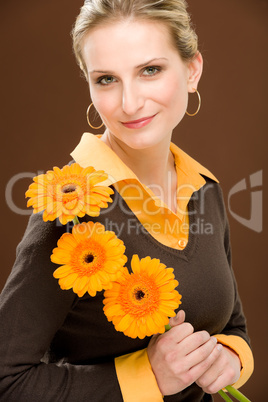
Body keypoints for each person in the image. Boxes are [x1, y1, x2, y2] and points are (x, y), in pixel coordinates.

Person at [0, 0, 254, 401]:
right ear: (88, 84)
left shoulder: (205, 187)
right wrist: (147, 377)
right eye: (106, 79)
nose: (130, 103)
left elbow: (232, 324)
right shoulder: (69, 206)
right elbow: (7, 382)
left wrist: (232, 357)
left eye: (150, 70)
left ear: (192, 70)